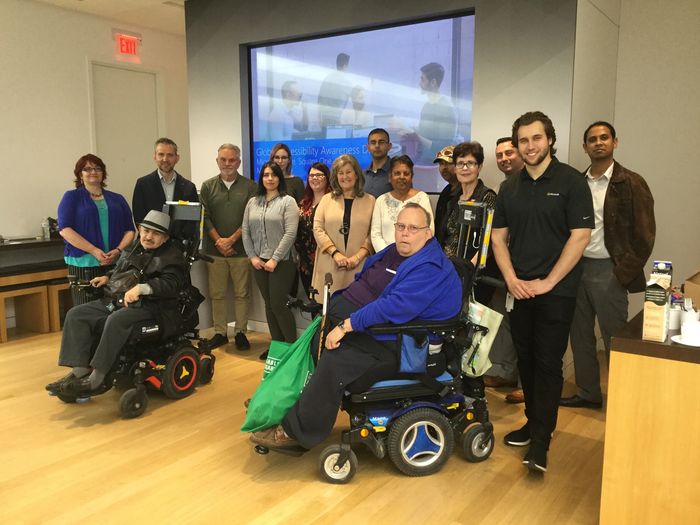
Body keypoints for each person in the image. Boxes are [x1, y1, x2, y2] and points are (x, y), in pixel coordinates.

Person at [249, 204, 462, 451]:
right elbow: (367, 282)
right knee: (315, 338)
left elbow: (393, 306)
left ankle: (297, 432)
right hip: (387, 333)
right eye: (401, 226)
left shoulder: (429, 267)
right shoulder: (396, 252)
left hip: (407, 344)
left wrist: (347, 325)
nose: (405, 233)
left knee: (335, 360)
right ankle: (282, 405)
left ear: (428, 233)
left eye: (413, 228)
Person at [491, 111, 593, 473]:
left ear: (549, 139)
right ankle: (534, 422)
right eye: (523, 140)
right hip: (519, 289)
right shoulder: (510, 187)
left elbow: (579, 237)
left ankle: (541, 441)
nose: (530, 146)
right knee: (526, 361)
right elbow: (498, 238)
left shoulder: (570, 182)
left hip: (556, 290)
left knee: (548, 364)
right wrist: (512, 279)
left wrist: (549, 281)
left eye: (536, 138)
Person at [561, 121, 655, 409]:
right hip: (576, 268)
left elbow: (645, 235)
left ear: (615, 142)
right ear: (585, 146)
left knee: (615, 337)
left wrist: (621, 272)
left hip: (609, 271)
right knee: (580, 336)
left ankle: (625, 402)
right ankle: (588, 393)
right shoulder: (576, 183)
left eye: (604, 138)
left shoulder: (631, 182)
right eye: (592, 139)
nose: (598, 142)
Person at [46, 210, 188, 396]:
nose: (148, 236)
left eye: (155, 234)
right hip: (118, 299)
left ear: (165, 238)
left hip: (152, 306)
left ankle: (97, 377)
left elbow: (172, 284)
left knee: (116, 320)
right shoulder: (134, 247)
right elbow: (121, 270)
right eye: (145, 231)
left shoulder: (173, 256)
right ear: (139, 229)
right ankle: (80, 370)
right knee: (77, 314)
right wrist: (107, 277)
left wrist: (142, 289)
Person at [199, 144, 257, 351]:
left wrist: (231, 240)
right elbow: (204, 217)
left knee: (242, 293)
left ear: (239, 162)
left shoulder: (250, 186)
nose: (227, 164)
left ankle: (241, 331)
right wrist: (219, 241)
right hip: (214, 253)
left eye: (232, 160)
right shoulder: (207, 186)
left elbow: (250, 218)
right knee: (218, 294)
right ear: (217, 161)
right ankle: (220, 332)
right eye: (223, 159)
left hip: (241, 250)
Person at [58, 154, 135, 305]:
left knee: (114, 308)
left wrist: (118, 250)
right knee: (86, 310)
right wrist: (93, 250)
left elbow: (130, 230)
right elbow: (65, 229)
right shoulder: (71, 197)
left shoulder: (117, 198)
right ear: (80, 174)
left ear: (103, 173)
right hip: (84, 263)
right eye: (87, 169)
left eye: (97, 168)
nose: (93, 171)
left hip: (115, 262)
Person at [242, 162, 300, 359]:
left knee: (278, 304)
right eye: (266, 175)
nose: (270, 178)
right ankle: (276, 347)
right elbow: (245, 231)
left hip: (282, 262)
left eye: (274, 175)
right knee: (268, 305)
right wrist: (252, 257)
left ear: (279, 178)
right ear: (261, 178)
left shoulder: (288, 201)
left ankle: (291, 350)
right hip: (259, 261)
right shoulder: (253, 202)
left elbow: (291, 233)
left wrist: (274, 259)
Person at [483, 137, 525, 403]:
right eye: (500, 155)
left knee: (525, 326)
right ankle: (504, 372)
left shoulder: (532, 185)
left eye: (509, 153)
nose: (504, 159)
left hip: (528, 269)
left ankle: (526, 384)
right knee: (504, 323)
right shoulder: (502, 188)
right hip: (503, 266)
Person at [312, 154, 375, 296]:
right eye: (340, 173)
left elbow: (373, 233)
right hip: (330, 263)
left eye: (348, 172)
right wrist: (335, 253)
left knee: (354, 310)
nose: (344, 177)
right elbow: (317, 228)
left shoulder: (370, 201)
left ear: (357, 174)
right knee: (328, 311)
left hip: (358, 266)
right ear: (335, 176)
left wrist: (357, 257)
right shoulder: (327, 199)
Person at [131, 137, 199, 240]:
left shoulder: (189, 187)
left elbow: (192, 222)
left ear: (177, 158)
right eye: (161, 154)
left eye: (170, 155)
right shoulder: (142, 184)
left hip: (179, 247)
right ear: (154, 157)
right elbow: (139, 219)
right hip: (150, 246)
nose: (165, 159)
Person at [441, 142, 496, 264]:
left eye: (470, 163)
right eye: (460, 163)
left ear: (479, 167)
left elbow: (489, 242)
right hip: (447, 265)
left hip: (469, 269)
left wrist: (468, 269)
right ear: (455, 168)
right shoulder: (453, 199)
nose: (464, 168)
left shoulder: (487, 197)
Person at [370, 155, 433, 252]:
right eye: (397, 173)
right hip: (386, 258)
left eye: (406, 173)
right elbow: (375, 235)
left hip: (416, 258)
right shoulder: (381, 201)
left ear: (411, 177)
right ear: (390, 177)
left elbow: (429, 231)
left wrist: (412, 255)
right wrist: (390, 255)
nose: (402, 177)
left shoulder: (422, 198)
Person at [295, 162, 331, 298]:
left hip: (326, 257)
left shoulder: (334, 200)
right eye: (311, 175)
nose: (314, 178)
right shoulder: (304, 202)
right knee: (312, 300)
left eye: (319, 175)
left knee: (326, 301)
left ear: (327, 177)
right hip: (305, 262)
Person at [415, 62, 457, 164]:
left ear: (433, 82)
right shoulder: (426, 106)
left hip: (439, 165)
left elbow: (444, 146)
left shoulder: (446, 108)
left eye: (423, 79)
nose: (419, 83)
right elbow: (424, 133)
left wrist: (416, 136)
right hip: (426, 160)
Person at [433, 145, 459, 246]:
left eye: (448, 163)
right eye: (441, 164)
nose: (444, 168)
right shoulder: (445, 192)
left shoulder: (466, 192)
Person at [317, 52, 351, 129]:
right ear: (345, 66)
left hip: (325, 120)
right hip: (338, 120)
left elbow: (319, 101)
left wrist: (319, 118)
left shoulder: (327, 79)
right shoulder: (346, 83)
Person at [363, 128, 393, 197]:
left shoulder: (397, 172)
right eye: (373, 142)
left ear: (389, 146)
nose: (377, 146)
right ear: (368, 147)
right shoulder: (363, 175)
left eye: (381, 142)